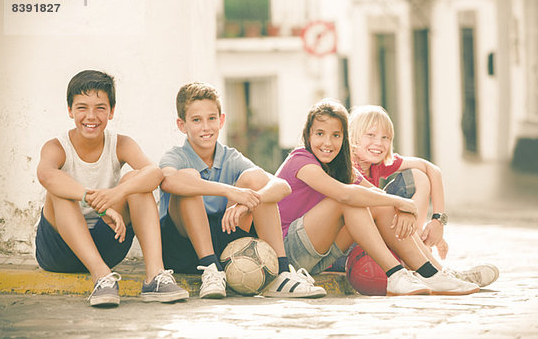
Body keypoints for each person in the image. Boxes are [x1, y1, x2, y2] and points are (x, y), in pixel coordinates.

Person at [276, 99, 479, 295]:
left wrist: (401, 209)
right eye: (320, 134)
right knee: (349, 200)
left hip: (322, 256)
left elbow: (375, 195)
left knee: (373, 201)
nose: (328, 142)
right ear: (307, 135)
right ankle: (396, 274)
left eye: (336, 135)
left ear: (344, 138)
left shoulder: (340, 166)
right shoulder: (301, 160)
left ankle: (431, 274)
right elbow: (345, 195)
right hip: (289, 252)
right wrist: (401, 202)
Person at [35, 70, 189, 307]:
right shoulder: (57, 147)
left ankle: (155, 277)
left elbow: (154, 174)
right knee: (59, 188)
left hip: (106, 241)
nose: (91, 116)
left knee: (137, 180)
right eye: (82, 107)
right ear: (70, 111)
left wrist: (116, 194)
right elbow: (45, 174)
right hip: (59, 250)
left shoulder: (121, 144)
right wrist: (94, 202)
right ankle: (102, 276)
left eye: (100, 108)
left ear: (111, 111)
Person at [158, 82, 326, 299]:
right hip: (183, 247)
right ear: (182, 125)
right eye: (196, 120)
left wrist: (248, 200)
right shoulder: (176, 156)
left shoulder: (230, 156)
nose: (206, 127)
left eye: (211, 118)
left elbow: (282, 186)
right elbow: (168, 181)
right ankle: (210, 269)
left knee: (255, 180)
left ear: (222, 120)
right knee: (188, 178)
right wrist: (230, 192)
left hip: (225, 240)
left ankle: (281, 274)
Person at [348, 104, 499, 287]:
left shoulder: (377, 163)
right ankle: (438, 272)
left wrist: (438, 221)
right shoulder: (348, 168)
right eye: (370, 135)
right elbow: (376, 200)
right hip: (349, 246)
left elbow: (431, 169)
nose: (379, 143)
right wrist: (403, 208)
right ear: (353, 137)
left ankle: (422, 249)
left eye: (385, 137)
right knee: (384, 202)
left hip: (382, 227)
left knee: (419, 176)